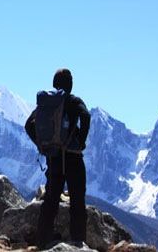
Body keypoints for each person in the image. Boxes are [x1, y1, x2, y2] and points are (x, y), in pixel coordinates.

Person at [25, 68, 91, 249]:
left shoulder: (47, 104)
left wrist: (42, 145)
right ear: (70, 84)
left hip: (54, 158)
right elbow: (86, 116)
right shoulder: (73, 101)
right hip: (73, 158)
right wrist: (81, 141)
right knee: (77, 200)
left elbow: (28, 125)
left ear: (54, 83)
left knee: (51, 200)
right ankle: (78, 242)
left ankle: (42, 240)